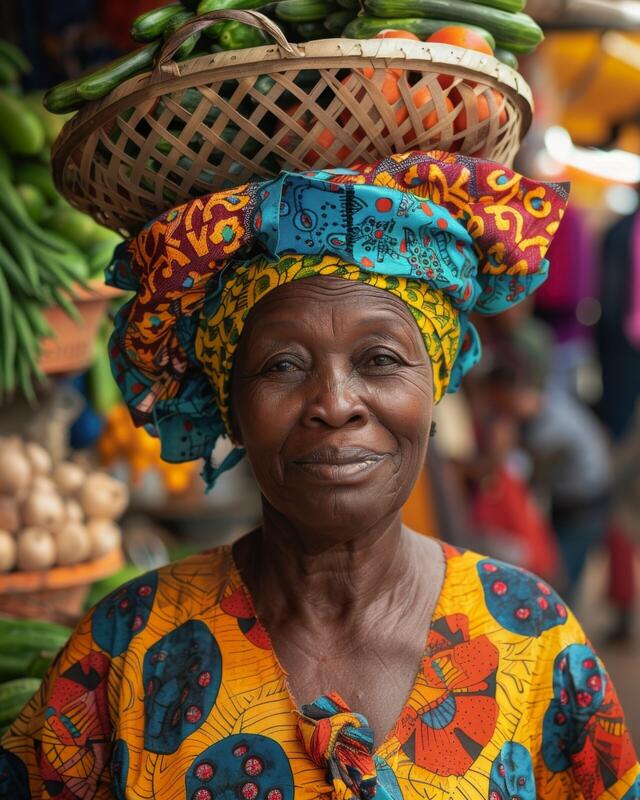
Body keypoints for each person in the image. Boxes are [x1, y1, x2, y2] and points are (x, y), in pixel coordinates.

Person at [1, 151, 638, 800]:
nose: (335, 403)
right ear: (233, 409)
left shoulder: (530, 633)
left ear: (436, 385)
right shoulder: (126, 649)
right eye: (282, 365)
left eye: (381, 359)